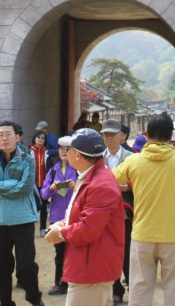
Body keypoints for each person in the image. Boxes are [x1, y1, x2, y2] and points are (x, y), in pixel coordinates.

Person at [112, 114, 175, 306]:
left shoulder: (134, 161)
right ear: (171, 136)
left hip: (143, 234)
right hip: (173, 234)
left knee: (140, 289)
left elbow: (111, 178)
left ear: (146, 134)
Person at [45, 128, 125, 306]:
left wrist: (61, 233)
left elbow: (88, 229)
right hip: (90, 264)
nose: (66, 152)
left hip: (91, 268)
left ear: (78, 155)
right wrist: (63, 223)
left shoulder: (99, 183)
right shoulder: (92, 176)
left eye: (69, 149)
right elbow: (84, 215)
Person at [0, 120, 44, 306]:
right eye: (0, 134)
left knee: (26, 266)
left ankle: (34, 298)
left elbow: (26, 188)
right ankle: (6, 302)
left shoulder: (28, 160)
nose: (4, 138)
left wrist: (2, 187)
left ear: (18, 137)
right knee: (2, 267)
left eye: (8, 134)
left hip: (23, 219)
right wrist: (13, 184)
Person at [100, 118, 134, 304]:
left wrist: (127, 187)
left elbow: (139, 183)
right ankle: (116, 289)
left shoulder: (132, 158)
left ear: (122, 136)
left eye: (112, 134)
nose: (109, 138)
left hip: (125, 213)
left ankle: (133, 288)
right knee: (108, 252)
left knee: (128, 251)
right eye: (105, 134)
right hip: (103, 214)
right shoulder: (98, 158)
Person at [40, 140, 78, 295]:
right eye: (61, 149)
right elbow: (44, 194)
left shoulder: (79, 170)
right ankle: (60, 283)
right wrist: (51, 188)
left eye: (67, 149)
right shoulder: (53, 171)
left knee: (76, 252)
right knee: (60, 253)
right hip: (57, 218)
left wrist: (76, 185)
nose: (64, 152)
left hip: (75, 216)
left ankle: (75, 282)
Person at [31, 130, 53, 237]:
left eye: (43, 138)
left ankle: (43, 228)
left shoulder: (47, 153)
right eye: (38, 137)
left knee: (44, 207)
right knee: (32, 207)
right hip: (32, 185)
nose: (40, 140)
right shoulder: (29, 153)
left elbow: (50, 170)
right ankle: (30, 230)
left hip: (44, 184)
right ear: (34, 139)